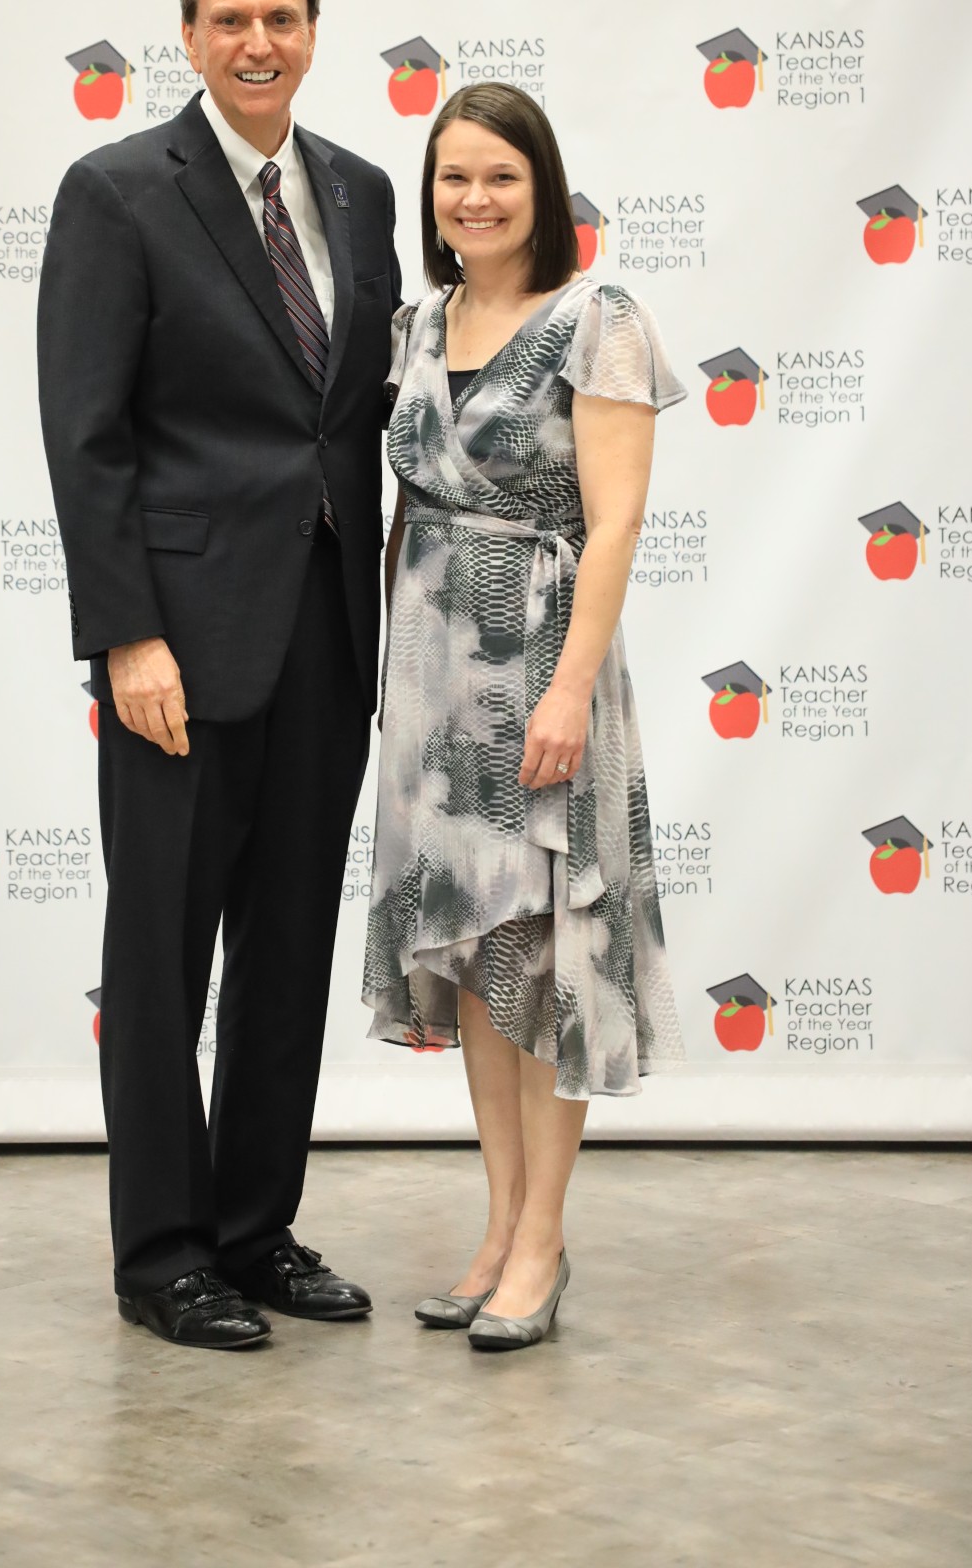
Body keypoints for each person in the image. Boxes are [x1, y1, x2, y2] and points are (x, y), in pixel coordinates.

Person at [38, 0, 400, 1349]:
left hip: (326, 631)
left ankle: (255, 1230)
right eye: (232, 18)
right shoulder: (119, 192)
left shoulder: (365, 195)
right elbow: (88, 437)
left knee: (288, 948)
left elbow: (359, 414)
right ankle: (164, 1253)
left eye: (284, 16)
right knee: (162, 957)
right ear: (187, 36)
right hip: (178, 649)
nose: (260, 42)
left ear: (316, 30)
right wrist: (127, 639)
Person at [364, 82, 685, 1352]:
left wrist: (563, 690)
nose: (474, 198)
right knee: (475, 959)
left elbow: (612, 523)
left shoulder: (595, 317)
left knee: (545, 960)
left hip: (543, 674)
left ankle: (543, 1244)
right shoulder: (416, 320)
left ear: (540, 187)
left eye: (499, 174)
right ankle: (496, 1229)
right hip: (431, 691)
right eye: (452, 178)